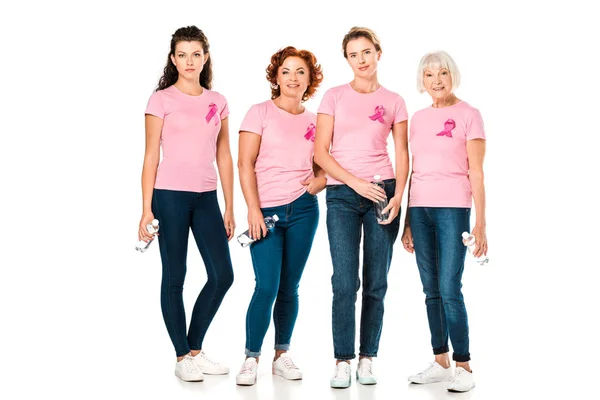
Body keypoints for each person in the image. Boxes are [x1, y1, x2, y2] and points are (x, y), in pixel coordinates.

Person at [313, 27, 409, 388]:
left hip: (383, 192)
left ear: (378, 53)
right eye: (354, 55)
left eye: (366, 52)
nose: (361, 60)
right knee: (343, 281)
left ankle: (368, 358)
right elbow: (320, 152)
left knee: (376, 281)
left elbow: (403, 154)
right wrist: (354, 182)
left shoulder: (395, 101)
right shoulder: (334, 96)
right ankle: (342, 359)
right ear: (348, 60)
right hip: (342, 194)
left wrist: (399, 194)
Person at [139, 25, 234, 382]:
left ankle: (194, 348)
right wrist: (146, 208)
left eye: (196, 54)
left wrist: (230, 206)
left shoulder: (218, 100)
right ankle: (182, 356)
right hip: (169, 197)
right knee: (175, 276)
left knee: (223, 275)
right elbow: (150, 156)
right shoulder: (160, 100)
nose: (189, 61)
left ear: (205, 58)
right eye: (182, 54)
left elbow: (224, 155)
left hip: (206, 196)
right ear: (173, 59)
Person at [235, 46, 325, 386]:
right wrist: (253, 209)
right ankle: (251, 357)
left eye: (300, 72)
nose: (293, 78)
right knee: (267, 286)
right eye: (286, 71)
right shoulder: (258, 112)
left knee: (290, 287)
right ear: (276, 76)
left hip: (304, 210)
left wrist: (320, 181)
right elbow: (245, 163)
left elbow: (324, 165)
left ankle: (281, 354)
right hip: (266, 212)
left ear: (309, 80)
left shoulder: (317, 122)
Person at [402, 50, 487, 393]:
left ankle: (464, 365)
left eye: (442, 74)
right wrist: (408, 220)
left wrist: (481, 223)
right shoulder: (418, 119)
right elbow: (412, 171)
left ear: (453, 76)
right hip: (420, 210)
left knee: (450, 288)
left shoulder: (470, 115)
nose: (436, 81)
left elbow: (477, 172)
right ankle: (440, 361)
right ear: (422, 81)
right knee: (430, 290)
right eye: (429, 75)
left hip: (454, 209)